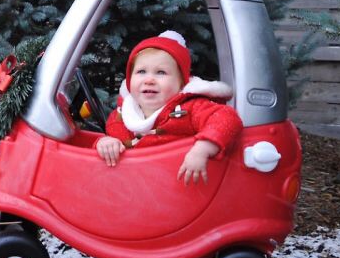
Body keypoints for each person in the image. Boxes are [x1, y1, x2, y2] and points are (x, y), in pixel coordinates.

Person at [95, 31, 243, 184]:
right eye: (141, 71)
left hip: (178, 186)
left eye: (161, 72)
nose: (149, 79)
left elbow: (227, 118)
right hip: (138, 187)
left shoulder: (191, 107)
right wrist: (105, 143)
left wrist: (203, 149)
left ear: (181, 83)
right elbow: (112, 144)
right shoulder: (124, 114)